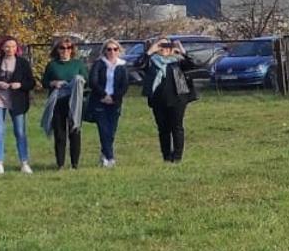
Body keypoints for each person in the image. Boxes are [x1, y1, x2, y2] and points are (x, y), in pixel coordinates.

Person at [138, 38, 201, 163]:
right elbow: (139, 64)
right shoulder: (151, 62)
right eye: (161, 46)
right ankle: (166, 157)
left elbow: (194, 64)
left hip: (178, 98)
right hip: (158, 100)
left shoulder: (177, 61)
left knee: (177, 127)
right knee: (163, 129)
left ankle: (177, 157)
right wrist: (150, 51)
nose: (165, 48)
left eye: (167, 45)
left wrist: (182, 50)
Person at [0, 35, 35, 173]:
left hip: (17, 102)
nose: (10, 49)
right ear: (2, 48)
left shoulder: (23, 63)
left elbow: (31, 83)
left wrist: (20, 85)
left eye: (13, 46)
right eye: (7, 46)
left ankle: (24, 163)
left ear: (17, 48)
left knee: (20, 132)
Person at [39, 38, 86, 169]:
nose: (65, 51)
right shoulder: (52, 65)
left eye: (68, 48)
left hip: (74, 102)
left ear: (72, 50)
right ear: (57, 50)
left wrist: (77, 82)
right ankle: (60, 163)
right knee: (60, 134)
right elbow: (44, 82)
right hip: (57, 102)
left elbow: (86, 80)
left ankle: (75, 164)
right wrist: (53, 83)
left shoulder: (78, 64)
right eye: (62, 48)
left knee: (74, 131)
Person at [86, 39, 132, 167]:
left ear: (119, 51)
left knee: (111, 131)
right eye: (109, 49)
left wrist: (113, 97)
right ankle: (110, 158)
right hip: (99, 101)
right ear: (105, 51)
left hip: (115, 102)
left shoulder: (122, 66)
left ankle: (104, 155)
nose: (112, 52)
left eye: (115, 49)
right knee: (104, 129)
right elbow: (93, 81)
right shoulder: (99, 64)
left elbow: (125, 84)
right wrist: (104, 95)